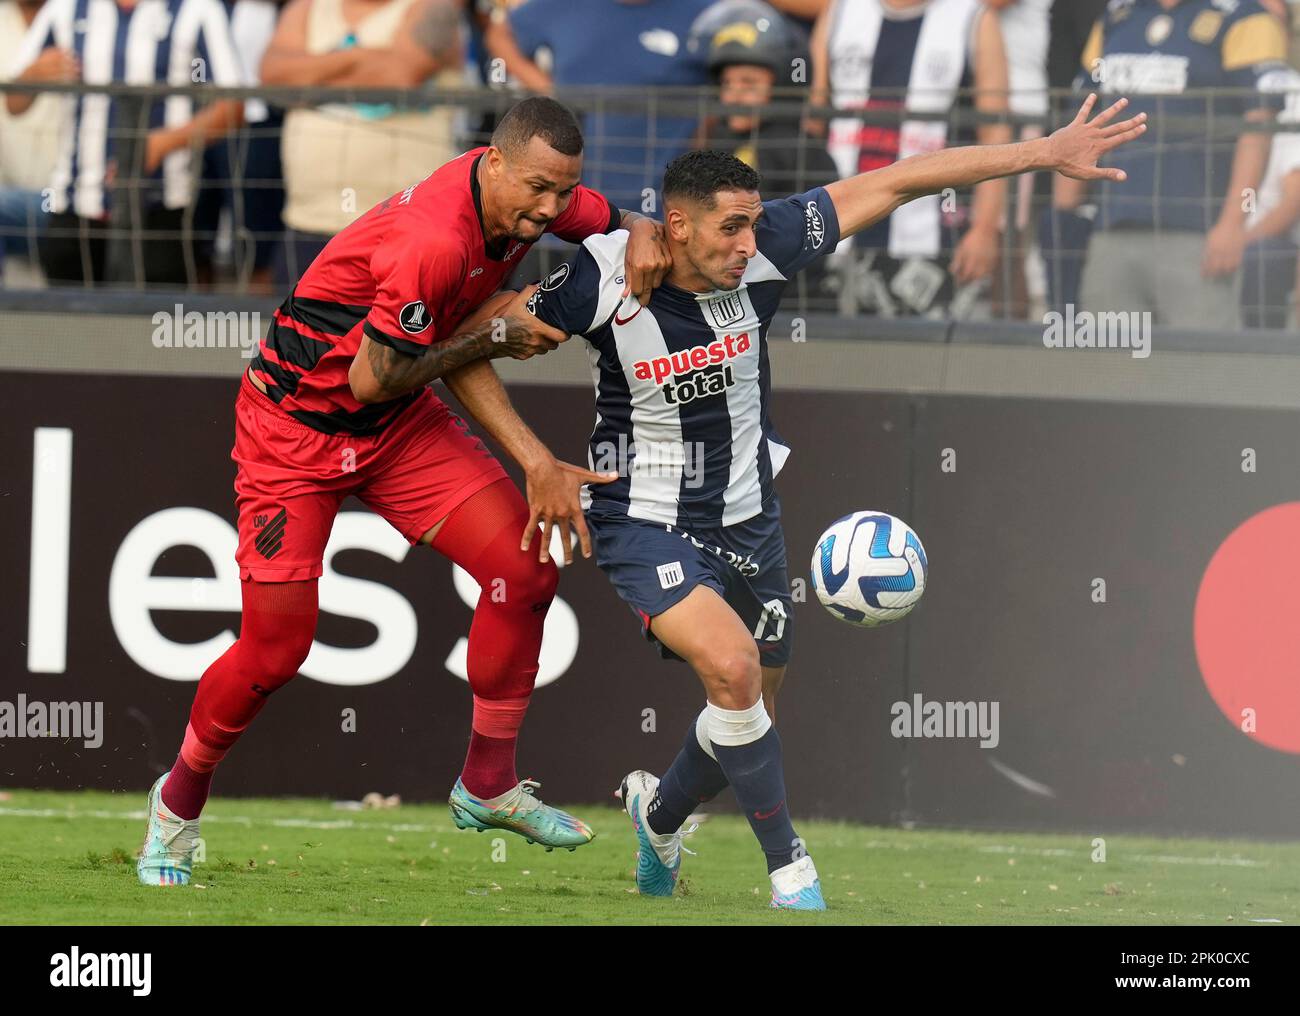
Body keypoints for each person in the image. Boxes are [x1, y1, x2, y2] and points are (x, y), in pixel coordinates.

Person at [519, 93, 1146, 908]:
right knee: (734, 669)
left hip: (750, 517)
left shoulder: (770, 242)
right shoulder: (605, 275)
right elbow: (486, 337)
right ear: (674, 226)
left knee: (747, 708)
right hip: (644, 517)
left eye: (754, 225)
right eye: (730, 229)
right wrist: (529, 455)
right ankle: (792, 870)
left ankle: (659, 814)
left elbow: (904, 179)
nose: (751, 243)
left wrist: (1043, 151)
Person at [136, 97, 672, 886]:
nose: (550, 210)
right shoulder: (433, 239)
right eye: (537, 190)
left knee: (524, 570)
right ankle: (174, 810)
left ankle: (487, 783)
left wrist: (651, 235)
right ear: (492, 163)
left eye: (564, 193)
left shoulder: (537, 196)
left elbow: (615, 219)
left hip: (393, 428)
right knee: (276, 648)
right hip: (296, 432)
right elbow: (374, 374)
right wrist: (495, 335)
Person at [1055, 0, 1289, 329]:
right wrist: (1063, 217)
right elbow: (1082, 115)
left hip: (1199, 238)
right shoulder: (1117, 15)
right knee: (1109, 369)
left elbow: (1259, 127)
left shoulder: (1244, 15)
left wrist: (1234, 224)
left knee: (1200, 370)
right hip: (1112, 231)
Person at [4, 0, 246, 286]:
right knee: (68, 324)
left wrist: (161, 144)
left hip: (161, 208)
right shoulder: (66, 8)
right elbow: (14, 103)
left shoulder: (197, 9)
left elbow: (233, 105)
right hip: (75, 207)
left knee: (152, 324)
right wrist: (33, 75)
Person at [810, 0, 1012, 319]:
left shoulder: (974, 18)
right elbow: (811, 119)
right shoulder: (840, 12)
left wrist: (985, 228)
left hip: (930, 239)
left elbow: (996, 133)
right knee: (835, 360)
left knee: (926, 361)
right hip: (838, 229)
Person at [261, 0, 468, 284]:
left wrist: (307, 77)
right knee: (298, 326)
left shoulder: (434, 7)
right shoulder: (304, 9)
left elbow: (399, 75)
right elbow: (272, 77)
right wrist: (359, 58)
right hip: (310, 228)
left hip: (406, 233)